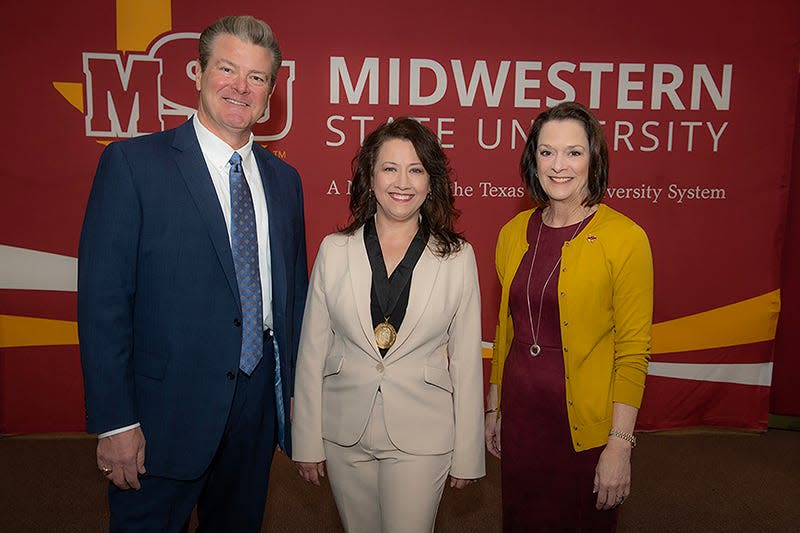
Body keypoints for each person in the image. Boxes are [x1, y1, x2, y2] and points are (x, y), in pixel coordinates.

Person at [77, 15, 308, 532]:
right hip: (162, 414)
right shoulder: (133, 165)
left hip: (255, 410)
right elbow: (103, 304)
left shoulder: (285, 182)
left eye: (257, 77)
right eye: (227, 69)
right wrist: (116, 421)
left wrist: (293, 401)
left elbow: (291, 300)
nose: (240, 87)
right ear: (197, 73)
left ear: (271, 92)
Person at [291, 118, 485, 532]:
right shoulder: (334, 250)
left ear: (431, 182)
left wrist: (469, 453)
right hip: (343, 433)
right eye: (389, 168)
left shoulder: (458, 257)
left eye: (416, 169)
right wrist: (304, 440)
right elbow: (311, 353)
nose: (403, 181)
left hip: (422, 434)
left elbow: (466, 363)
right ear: (370, 177)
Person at [483, 102, 653, 532]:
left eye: (574, 152)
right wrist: (494, 407)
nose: (559, 165)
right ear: (532, 159)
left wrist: (620, 445)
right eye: (547, 152)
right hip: (522, 421)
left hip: (584, 434)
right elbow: (506, 331)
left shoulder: (626, 239)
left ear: (594, 159)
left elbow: (633, 353)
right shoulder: (512, 232)